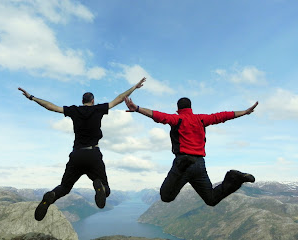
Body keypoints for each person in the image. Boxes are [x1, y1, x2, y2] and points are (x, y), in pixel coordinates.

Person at [18, 77, 146, 221]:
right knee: (106, 188)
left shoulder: (74, 111)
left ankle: (52, 196)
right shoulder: (98, 109)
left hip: (77, 154)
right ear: (93, 101)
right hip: (93, 154)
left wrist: (32, 97)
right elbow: (120, 98)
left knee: (64, 187)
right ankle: (101, 187)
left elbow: (51, 106)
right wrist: (134, 87)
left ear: (82, 101)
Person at [125, 96, 258, 206]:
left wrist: (137, 108)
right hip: (199, 164)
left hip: (183, 162)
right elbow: (222, 116)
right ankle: (234, 178)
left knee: (166, 196)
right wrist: (244, 112)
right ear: (190, 108)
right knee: (211, 199)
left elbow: (158, 116)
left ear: (178, 109)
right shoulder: (201, 119)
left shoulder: (177, 118)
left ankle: (182, 165)